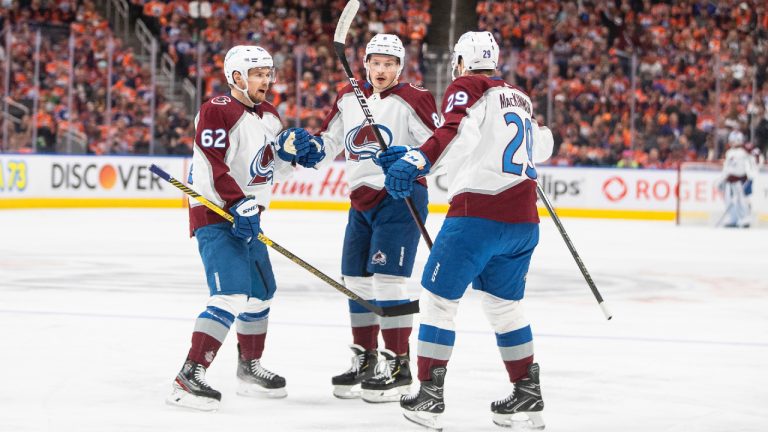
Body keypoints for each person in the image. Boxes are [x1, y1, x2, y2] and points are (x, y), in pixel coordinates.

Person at [376, 31, 553, 430]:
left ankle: (428, 396)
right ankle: (527, 394)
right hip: (524, 221)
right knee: (504, 307)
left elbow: (457, 133)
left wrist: (417, 162)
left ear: (459, 61)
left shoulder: (467, 85)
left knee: (438, 301)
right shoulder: (519, 97)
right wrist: (412, 155)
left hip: (478, 216)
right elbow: (542, 145)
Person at [166, 44, 318, 411]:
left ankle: (249, 369)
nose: (267, 79)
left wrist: (293, 159)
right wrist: (237, 202)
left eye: (269, 72)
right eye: (258, 73)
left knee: (262, 292)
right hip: (216, 213)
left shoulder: (269, 116)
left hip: (247, 215)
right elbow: (211, 165)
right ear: (236, 77)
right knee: (231, 293)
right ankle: (188, 375)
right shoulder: (217, 110)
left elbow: (267, 174)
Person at [299, 33, 439, 402]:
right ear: (365, 64)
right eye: (376, 63)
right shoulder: (349, 97)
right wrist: (307, 149)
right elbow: (328, 141)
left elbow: (437, 144)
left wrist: (408, 158)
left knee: (388, 280)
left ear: (400, 67)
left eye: (390, 64)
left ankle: (398, 363)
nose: (382, 69)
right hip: (359, 197)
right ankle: (366, 357)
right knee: (356, 280)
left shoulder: (415, 97)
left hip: (400, 194)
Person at [719, 130, 757, 228]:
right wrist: (721, 179)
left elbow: (753, 163)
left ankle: (745, 218)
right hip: (729, 181)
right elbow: (726, 168)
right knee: (729, 200)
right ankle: (733, 218)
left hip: (740, 181)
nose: (731, 142)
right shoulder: (729, 152)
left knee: (741, 201)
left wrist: (751, 178)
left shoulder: (744, 152)